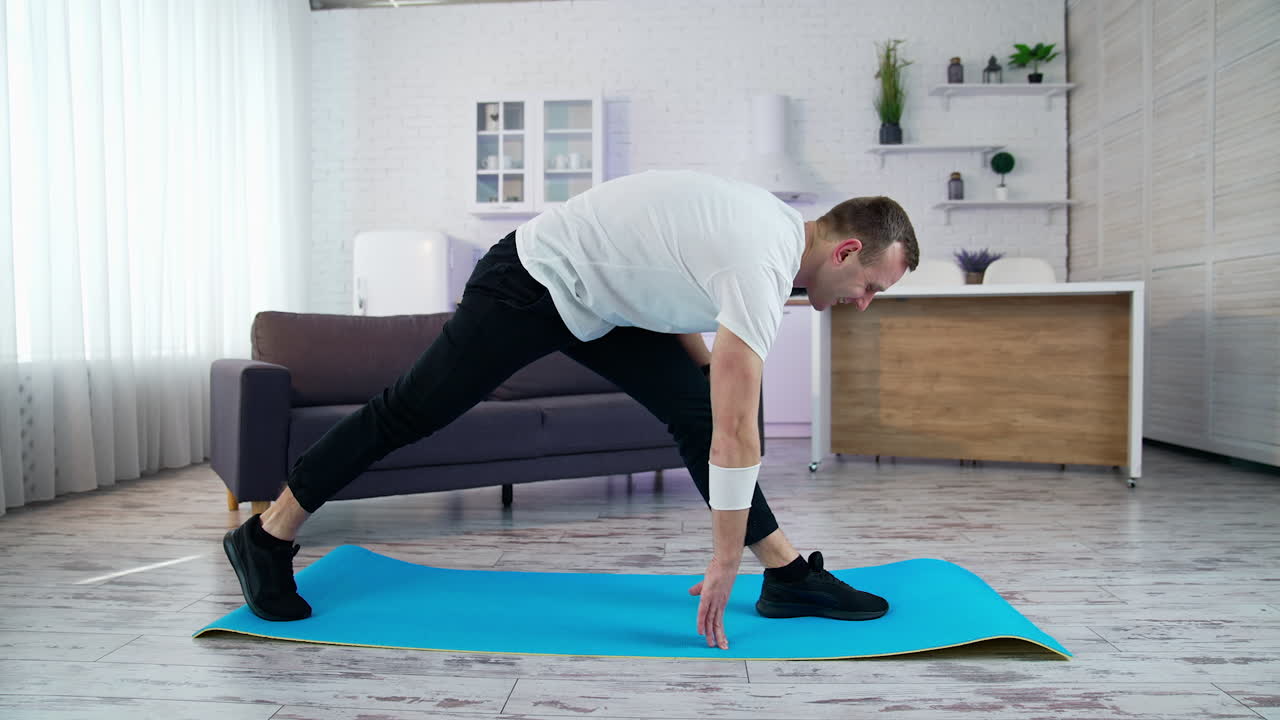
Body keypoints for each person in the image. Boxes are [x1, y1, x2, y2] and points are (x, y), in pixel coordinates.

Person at [223, 169, 920, 651]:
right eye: (868, 286)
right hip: (529, 283)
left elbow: (658, 270)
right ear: (847, 249)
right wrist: (719, 560)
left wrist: (701, 371)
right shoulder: (762, 262)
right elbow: (739, 432)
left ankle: (789, 576)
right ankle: (269, 534)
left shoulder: (768, 227)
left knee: (700, 411)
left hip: (602, 302)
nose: (862, 301)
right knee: (410, 411)